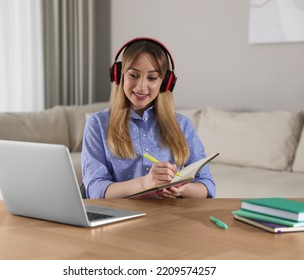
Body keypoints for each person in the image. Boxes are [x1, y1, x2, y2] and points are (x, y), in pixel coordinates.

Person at [81, 37, 215, 199]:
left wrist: (180, 187)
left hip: (170, 216)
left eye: (152, 78)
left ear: (165, 83)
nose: (141, 86)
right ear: (120, 76)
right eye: (133, 75)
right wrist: (145, 183)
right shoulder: (98, 123)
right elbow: (94, 190)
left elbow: (207, 186)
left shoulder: (182, 124)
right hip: (122, 216)